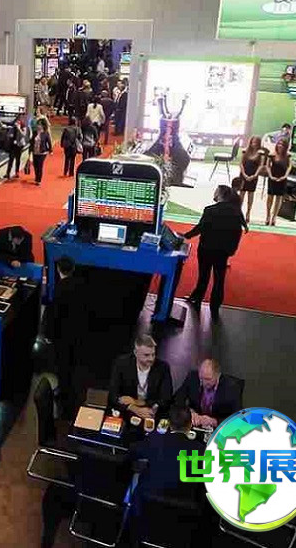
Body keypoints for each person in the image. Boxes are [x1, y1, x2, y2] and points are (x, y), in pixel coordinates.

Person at [129, 404, 209, 539]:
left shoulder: (155, 440)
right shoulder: (201, 450)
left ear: (169, 425)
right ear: (190, 425)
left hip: (147, 508)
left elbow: (133, 451)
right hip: (183, 516)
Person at [184, 185, 247, 320]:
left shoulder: (210, 210)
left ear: (220, 195)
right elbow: (237, 233)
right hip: (222, 252)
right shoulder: (236, 212)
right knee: (219, 280)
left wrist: (185, 236)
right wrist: (231, 250)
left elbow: (200, 228)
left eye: (216, 191)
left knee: (203, 276)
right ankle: (214, 308)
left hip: (206, 249)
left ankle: (197, 298)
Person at [46, 257, 84, 416]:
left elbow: (54, 314)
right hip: (77, 331)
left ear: (58, 269)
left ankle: (64, 391)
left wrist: (48, 334)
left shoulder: (60, 288)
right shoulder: (80, 284)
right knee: (72, 362)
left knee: (62, 364)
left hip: (62, 334)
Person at [108, 334, 173, 418]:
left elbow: (166, 398)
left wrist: (137, 402)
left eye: (153, 354)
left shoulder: (163, 367)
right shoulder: (122, 363)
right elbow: (113, 395)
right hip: (127, 411)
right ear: (136, 353)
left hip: (151, 411)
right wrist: (133, 408)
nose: (151, 359)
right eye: (146, 355)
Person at [175, 359, 243, 428]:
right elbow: (177, 400)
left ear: (218, 375)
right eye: (201, 378)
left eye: (208, 379)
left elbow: (238, 418)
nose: (204, 383)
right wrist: (189, 413)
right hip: (195, 426)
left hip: (218, 429)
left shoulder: (231, 387)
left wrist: (214, 421)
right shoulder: (192, 377)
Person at [236, 136, 265, 223]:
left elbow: (261, 165)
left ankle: (248, 213)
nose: (254, 144)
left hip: (253, 175)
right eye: (252, 142)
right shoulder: (245, 151)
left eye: (256, 142)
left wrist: (255, 175)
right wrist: (244, 174)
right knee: (241, 194)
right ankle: (238, 212)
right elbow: (241, 163)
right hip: (244, 174)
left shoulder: (261, 153)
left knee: (250, 194)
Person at [266, 139, 291, 226]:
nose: (280, 146)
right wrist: (270, 175)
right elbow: (267, 166)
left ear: (285, 147)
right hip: (272, 177)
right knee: (270, 197)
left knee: (278, 198)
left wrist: (285, 176)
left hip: (282, 178)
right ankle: (268, 215)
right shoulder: (272, 155)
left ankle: (274, 217)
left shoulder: (287, 155)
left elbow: (289, 166)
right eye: (279, 144)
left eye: (282, 144)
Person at [3, 115, 29, 180]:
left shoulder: (23, 127)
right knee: (11, 159)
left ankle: (17, 172)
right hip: (12, 145)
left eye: (19, 121)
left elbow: (23, 135)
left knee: (18, 159)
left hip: (19, 145)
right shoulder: (13, 127)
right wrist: (10, 135)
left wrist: (19, 128)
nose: (17, 122)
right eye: (17, 121)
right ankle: (8, 173)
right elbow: (9, 134)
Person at [30, 119, 52, 186]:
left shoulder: (45, 133)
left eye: (39, 124)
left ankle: (38, 180)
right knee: (35, 165)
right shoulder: (35, 132)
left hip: (42, 152)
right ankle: (36, 176)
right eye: (38, 124)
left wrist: (50, 150)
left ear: (43, 125)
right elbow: (32, 142)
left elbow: (49, 142)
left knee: (40, 166)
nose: (38, 126)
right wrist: (30, 151)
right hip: (35, 151)